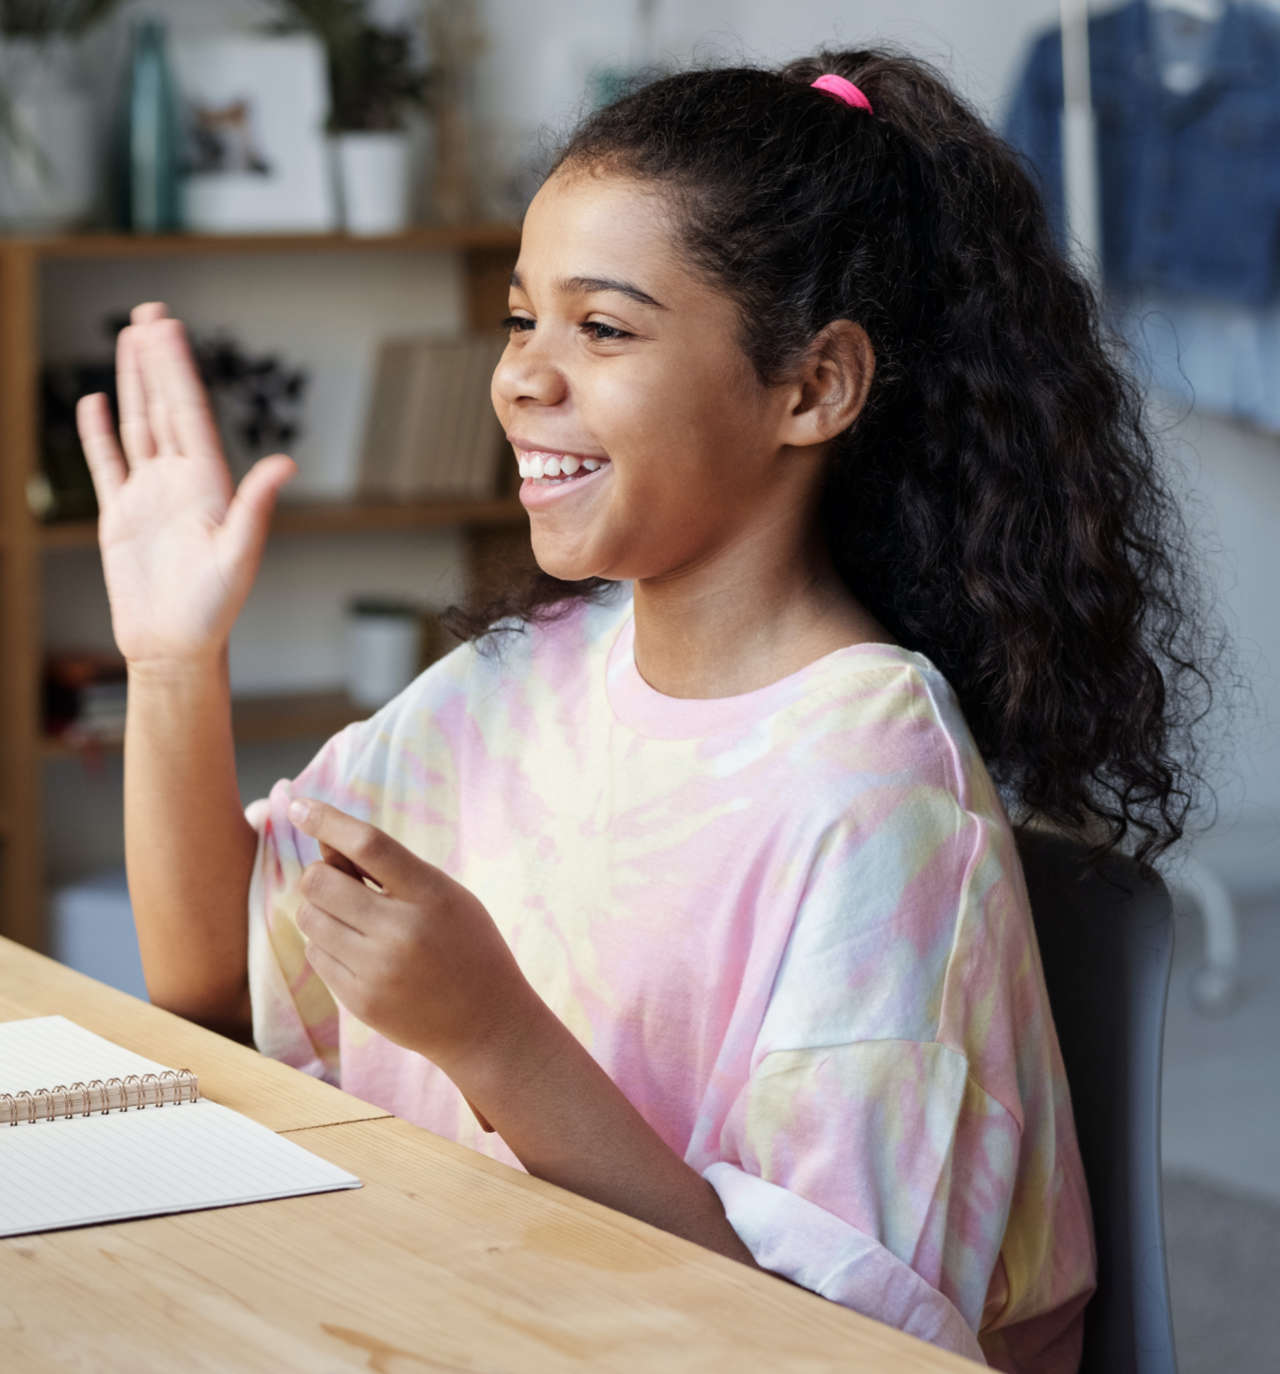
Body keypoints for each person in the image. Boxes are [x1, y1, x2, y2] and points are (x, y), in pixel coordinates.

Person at [76, 47, 1216, 1373]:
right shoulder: (515, 683)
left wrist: (493, 1036)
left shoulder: (880, 801)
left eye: (602, 328)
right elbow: (213, 980)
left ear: (812, 388)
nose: (522, 378)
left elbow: (816, 1346)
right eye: (520, 319)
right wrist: (171, 661)